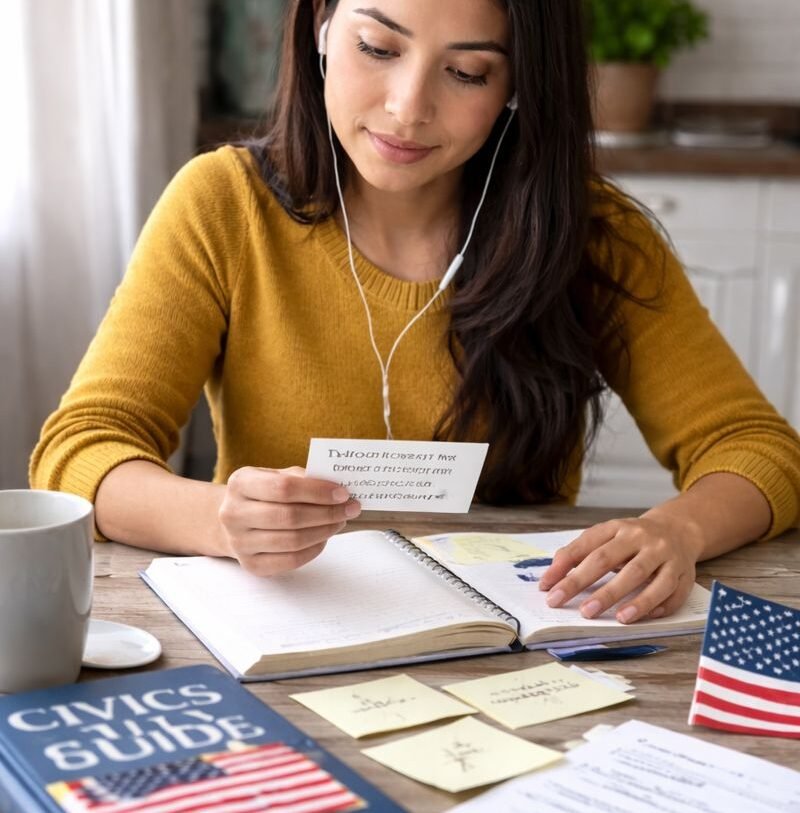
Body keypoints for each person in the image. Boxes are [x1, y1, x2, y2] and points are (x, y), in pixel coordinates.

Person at [31, 0, 800, 626]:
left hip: (519, 651)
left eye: (466, 72)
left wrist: (679, 529)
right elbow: (80, 452)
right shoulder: (222, 204)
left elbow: (756, 448)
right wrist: (218, 518)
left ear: (518, 85)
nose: (407, 109)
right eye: (377, 46)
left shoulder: (594, 236)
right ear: (321, 27)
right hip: (281, 635)